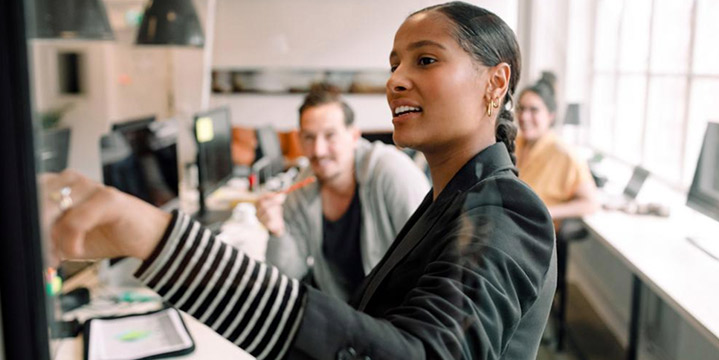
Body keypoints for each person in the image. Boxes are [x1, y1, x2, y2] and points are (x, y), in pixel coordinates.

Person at [43, 2, 556, 359]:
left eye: (425, 59)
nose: (395, 79)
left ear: (496, 83)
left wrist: (160, 242)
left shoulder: (509, 208)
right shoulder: (453, 200)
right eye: (394, 63)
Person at [256, 84, 429, 301]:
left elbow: (430, 259)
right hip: (344, 316)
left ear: (354, 136)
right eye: (309, 137)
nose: (318, 150)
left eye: (330, 136)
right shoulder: (302, 187)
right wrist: (277, 230)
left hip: (397, 312)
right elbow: (287, 276)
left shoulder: (392, 172)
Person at [515, 73, 599, 224]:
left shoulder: (565, 155)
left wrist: (546, 212)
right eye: (521, 109)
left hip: (534, 236)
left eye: (534, 110)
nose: (524, 116)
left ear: (551, 116)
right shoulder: (514, 142)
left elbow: (591, 203)